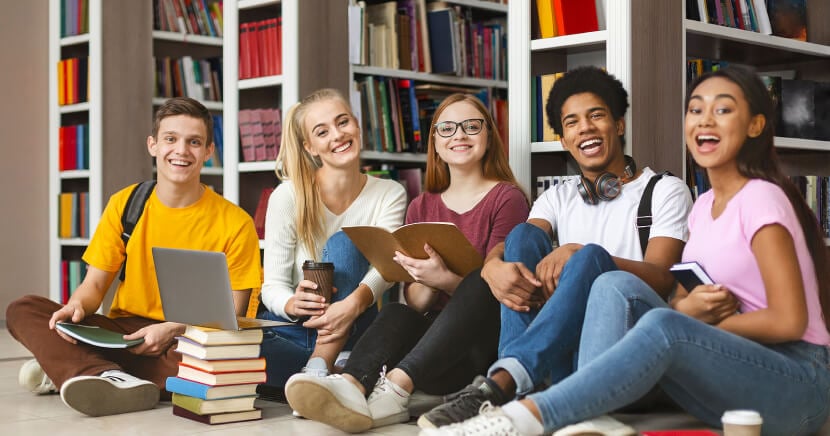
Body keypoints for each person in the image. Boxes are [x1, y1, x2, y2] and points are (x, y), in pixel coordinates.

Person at [421, 65, 830, 436]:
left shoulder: (757, 198)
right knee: (534, 246)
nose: (705, 119)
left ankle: (518, 410)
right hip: (721, 369)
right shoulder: (705, 208)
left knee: (619, 285)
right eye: (695, 110)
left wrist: (689, 323)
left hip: (790, 376)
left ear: (756, 124)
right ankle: (547, 395)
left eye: (723, 110)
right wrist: (492, 265)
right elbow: (686, 299)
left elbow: (788, 321)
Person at [417, 66, 695, 429]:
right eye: (572, 123)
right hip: (567, 346)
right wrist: (491, 266)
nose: (586, 128)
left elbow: (661, 278)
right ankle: (515, 390)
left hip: (630, 340)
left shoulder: (664, 190)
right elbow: (518, 242)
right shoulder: (557, 197)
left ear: (620, 125)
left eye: (596, 115)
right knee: (521, 237)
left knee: (592, 256)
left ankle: (502, 384)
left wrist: (582, 252)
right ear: (564, 140)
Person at [282, 93, 530, 433]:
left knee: (482, 278)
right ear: (436, 145)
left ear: (488, 137)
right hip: (431, 354)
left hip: (480, 347)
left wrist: (445, 279)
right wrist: (424, 279)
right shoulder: (421, 206)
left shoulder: (508, 198)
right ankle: (352, 386)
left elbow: (498, 292)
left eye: (472, 126)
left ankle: (395, 389)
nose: (459, 135)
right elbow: (415, 302)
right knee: (397, 311)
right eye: (447, 129)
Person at [6, 97, 263, 416]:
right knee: (24, 309)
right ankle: (102, 373)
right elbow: (94, 286)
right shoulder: (125, 203)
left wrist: (172, 329)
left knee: (216, 370)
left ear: (208, 152)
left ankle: (72, 368)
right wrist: (75, 307)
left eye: (194, 142)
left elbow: (233, 315)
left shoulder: (235, 223)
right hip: (124, 332)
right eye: (171, 139)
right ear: (153, 145)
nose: (181, 151)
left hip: (186, 339)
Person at [256, 88, 407, 391]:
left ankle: (320, 366)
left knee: (345, 243)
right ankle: (337, 370)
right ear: (310, 147)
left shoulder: (390, 193)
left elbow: (386, 269)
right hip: (296, 330)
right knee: (241, 357)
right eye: (322, 132)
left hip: (357, 323)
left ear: (357, 126)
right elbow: (272, 285)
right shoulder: (288, 195)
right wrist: (291, 302)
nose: (337, 135)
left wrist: (351, 306)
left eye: (343, 123)